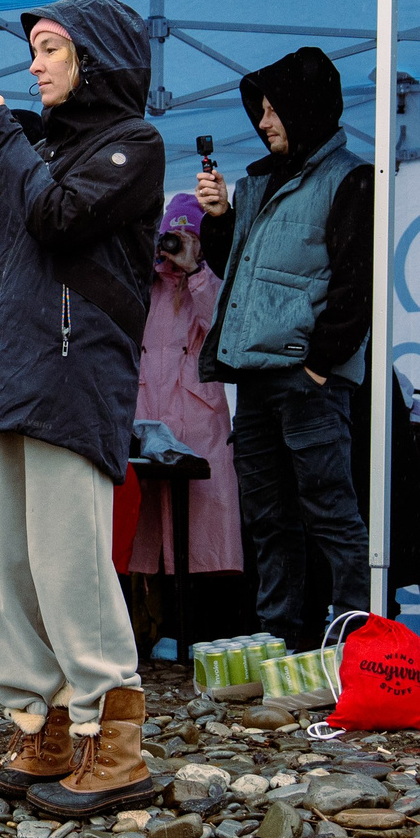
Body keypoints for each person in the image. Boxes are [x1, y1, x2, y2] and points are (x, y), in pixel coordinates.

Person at [0, 0, 163, 818]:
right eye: (32, 49)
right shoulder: (31, 143)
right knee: (8, 570)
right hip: (11, 377)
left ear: (95, 57)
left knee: (70, 564)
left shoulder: (134, 144)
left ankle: (116, 737)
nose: (33, 64)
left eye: (51, 48)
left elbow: (60, 217)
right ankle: (45, 725)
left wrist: (0, 130)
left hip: (74, 377)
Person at [194, 46, 373, 649]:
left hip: (306, 380)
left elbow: (358, 282)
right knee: (267, 520)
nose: (263, 121)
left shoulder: (350, 177)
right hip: (254, 377)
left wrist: (320, 365)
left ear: (306, 107)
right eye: (261, 110)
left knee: (330, 514)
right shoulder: (256, 182)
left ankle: (352, 645)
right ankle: (280, 643)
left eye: (274, 109)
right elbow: (234, 273)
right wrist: (219, 218)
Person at [126, 196, 241, 588]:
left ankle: (200, 623)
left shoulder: (209, 284)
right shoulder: (147, 287)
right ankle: (157, 623)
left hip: (196, 424)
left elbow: (225, 335)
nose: (175, 245)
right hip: (148, 418)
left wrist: (196, 270)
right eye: (169, 237)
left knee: (199, 534)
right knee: (147, 533)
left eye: (185, 236)